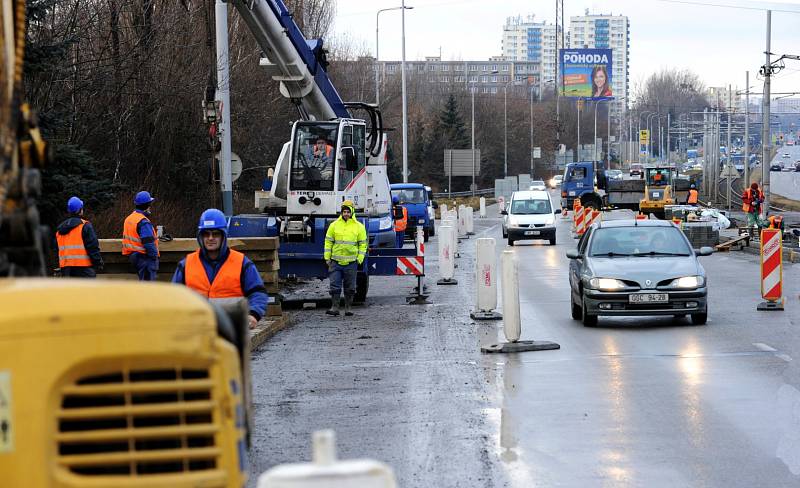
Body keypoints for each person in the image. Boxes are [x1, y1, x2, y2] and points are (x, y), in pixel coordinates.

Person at [172, 209, 267, 329]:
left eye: (215, 233)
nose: (210, 238)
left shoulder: (241, 263)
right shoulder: (186, 265)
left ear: (223, 235)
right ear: (200, 236)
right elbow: (173, 297)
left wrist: (254, 314)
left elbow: (257, 292)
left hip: (232, 332)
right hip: (196, 333)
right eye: (206, 234)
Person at [324, 200, 367, 317]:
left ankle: (348, 308)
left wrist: (359, 258)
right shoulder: (334, 225)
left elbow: (363, 244)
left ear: (352, 212)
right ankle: (335, 307)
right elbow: (328, 242)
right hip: (335, 262)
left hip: (351, 262)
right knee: (334, 285)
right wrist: (327, 258)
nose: (346, 214)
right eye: (344, 212)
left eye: (348, 212)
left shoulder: (359, 227)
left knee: (350, 287)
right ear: (341, 212)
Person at [55, 196, 103, 277]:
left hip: (66, 270)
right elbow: (93, 247)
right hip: (84, 269)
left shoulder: (59, 229)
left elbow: (57, 248)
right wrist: (98, 262)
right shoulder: (85, 226)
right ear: (80, 210)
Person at [122, 190, 159, 281]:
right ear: (147, 205)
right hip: (145, 258)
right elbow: (148, 243)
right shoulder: (143, 221)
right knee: (148, 289)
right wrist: (154, 257)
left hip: (134, 257)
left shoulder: (129, 218)